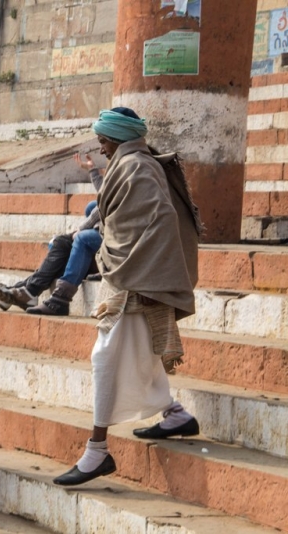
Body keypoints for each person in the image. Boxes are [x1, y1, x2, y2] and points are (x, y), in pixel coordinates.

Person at [53, 107, 203, 486]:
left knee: (106, 357)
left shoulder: (138, 166)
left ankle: (97, 451)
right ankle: (177, 415)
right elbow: (120, 215)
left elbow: (162, 219)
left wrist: (138, 266)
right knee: (139, 354)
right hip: (128, 274)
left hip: (136, 278)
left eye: (103, 140)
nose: (101, 148)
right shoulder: (130, 162)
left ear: (118, 137)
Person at [0, 153, 104, 316]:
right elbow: (105, 195)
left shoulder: (130, 165)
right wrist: (93, 170)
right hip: (103, 232)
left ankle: (43, 296)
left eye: (105, 141)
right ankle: (22, 291)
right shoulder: (123, 163)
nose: (103, 149)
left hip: (116, 239)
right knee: (62, 241)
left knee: (71, 241)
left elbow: (105, 204)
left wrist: (81, 229)